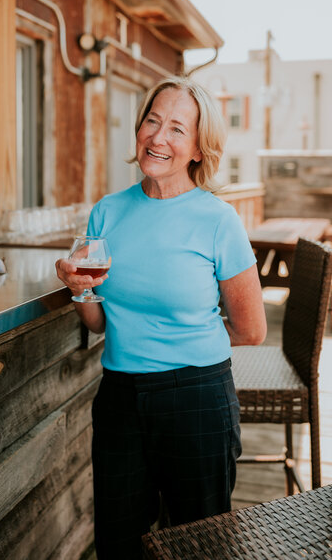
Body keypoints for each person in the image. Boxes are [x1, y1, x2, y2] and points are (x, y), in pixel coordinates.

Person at [55, 75, 267, 560]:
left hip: (196, 400)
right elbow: (97, 324)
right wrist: (78, 287)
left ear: (197, 148)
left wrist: (185, 343)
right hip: (120, 399)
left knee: (199, 545)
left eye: (176, 128)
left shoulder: (218, 220)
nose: (158, 137)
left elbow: (252, 330)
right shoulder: (106, 213)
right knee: (119, 543)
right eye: (152, 121)